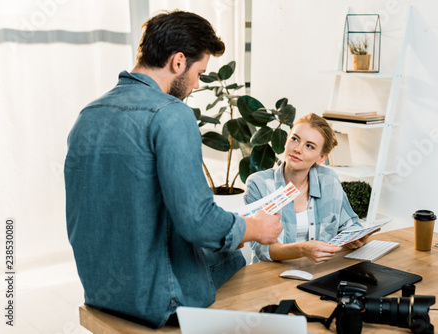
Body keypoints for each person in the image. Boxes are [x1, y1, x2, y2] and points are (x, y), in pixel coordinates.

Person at [64, 10, 282, 328]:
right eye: (199, 72)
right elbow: (198, 222)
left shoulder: (88, 114)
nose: (195, 84)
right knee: (235, 256)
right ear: (178, 62)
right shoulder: (171, 113)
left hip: (100, 292)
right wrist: (253, 228)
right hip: (159, 303)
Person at [244, 113, 373, 265]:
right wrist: (304, 249)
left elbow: (350, 224)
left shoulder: (329, 180)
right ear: (286, 140)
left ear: (321, 158)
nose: (298, 149)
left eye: (309, 146)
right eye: (295, 139)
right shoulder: (259, 184)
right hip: (271, 278)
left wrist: (355, 237)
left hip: (320, 272)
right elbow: (262, 250)